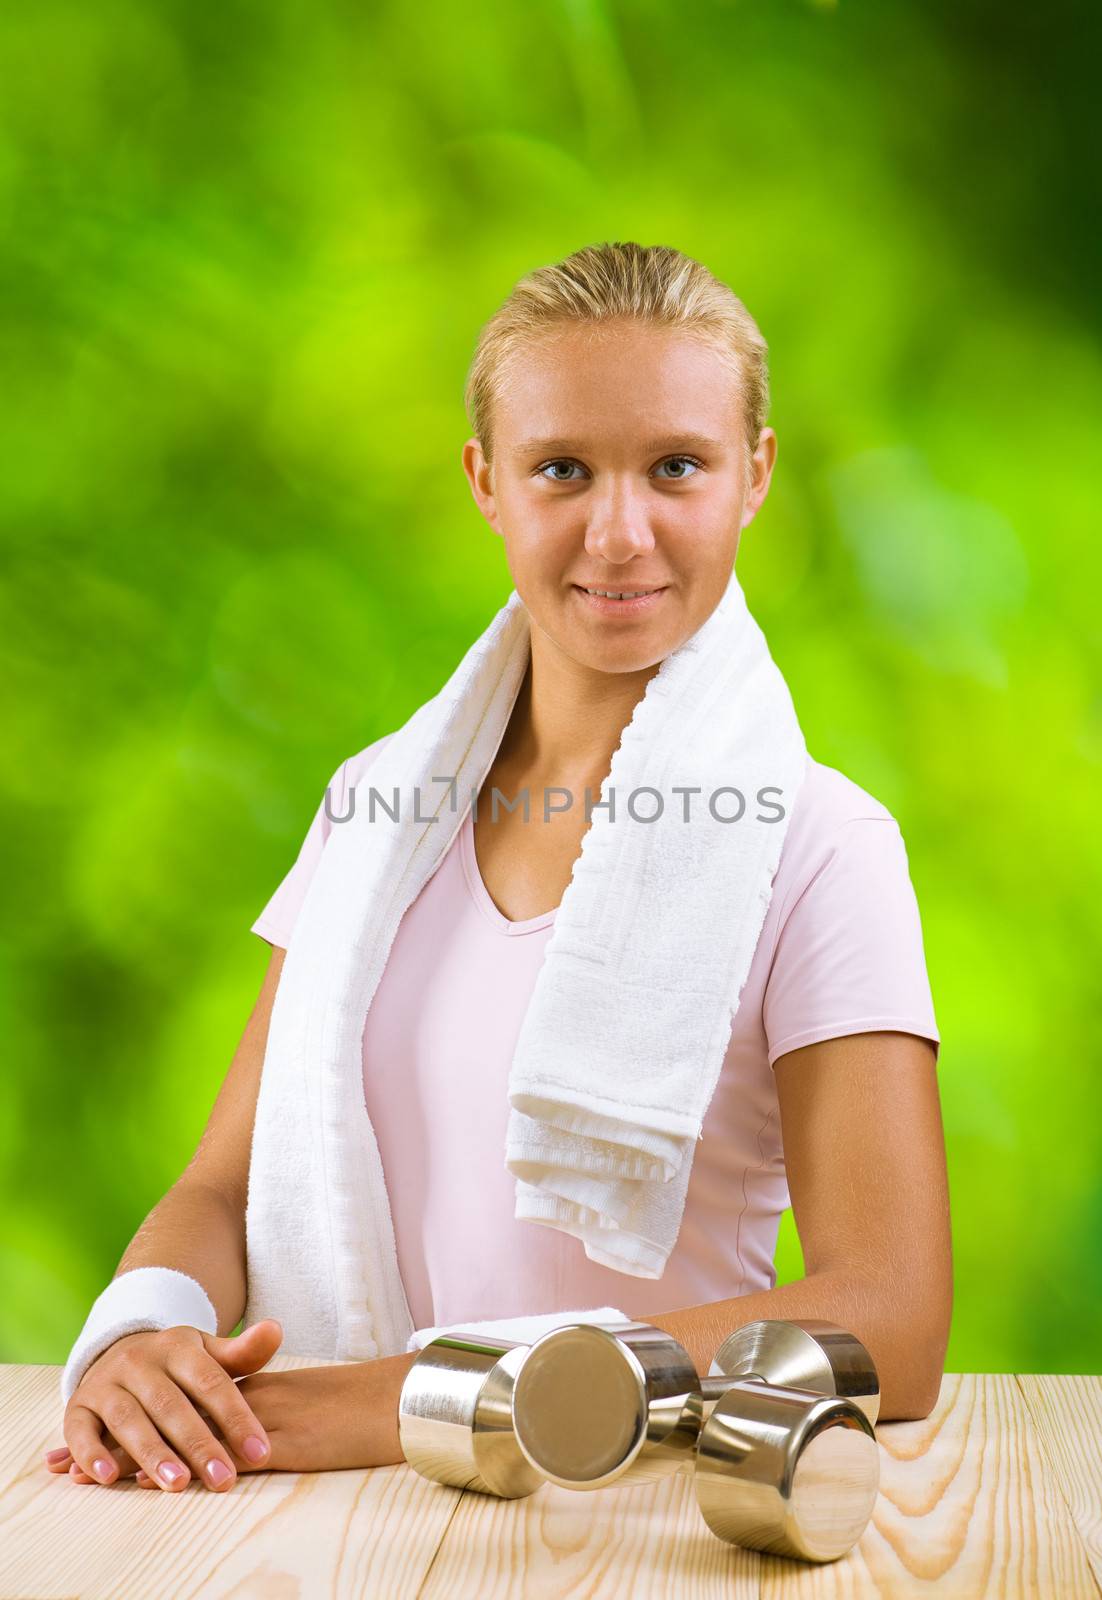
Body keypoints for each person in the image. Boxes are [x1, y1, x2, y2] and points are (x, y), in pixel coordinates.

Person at [46, 241, 952, 1494]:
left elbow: (892, 1324)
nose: (619, 532)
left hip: (628, 1518)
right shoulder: (375, 809)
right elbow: (220, 1186)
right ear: (487, 482)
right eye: (562, 469)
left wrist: (403, 1399)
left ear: (755, 474)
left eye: (676, 466)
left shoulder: (821, 847)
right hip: (314, 1516)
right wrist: (146, 1336)